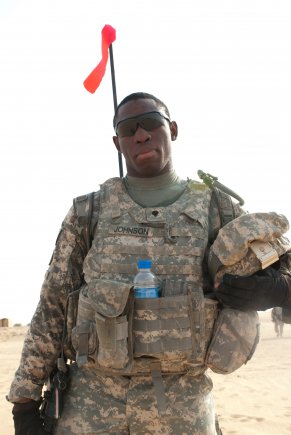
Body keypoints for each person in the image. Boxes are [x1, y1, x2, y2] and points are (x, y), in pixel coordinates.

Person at [8, 92, 291, 435]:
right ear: (118, 143)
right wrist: (24, 401)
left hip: (182, 409)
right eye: (128, 129)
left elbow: (282, 266)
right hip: (91, 408)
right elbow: (52, 305)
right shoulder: (88, 214)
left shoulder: (217, 207)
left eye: (151, 123)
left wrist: (278, 289)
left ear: (171, 129)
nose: (140, 135)